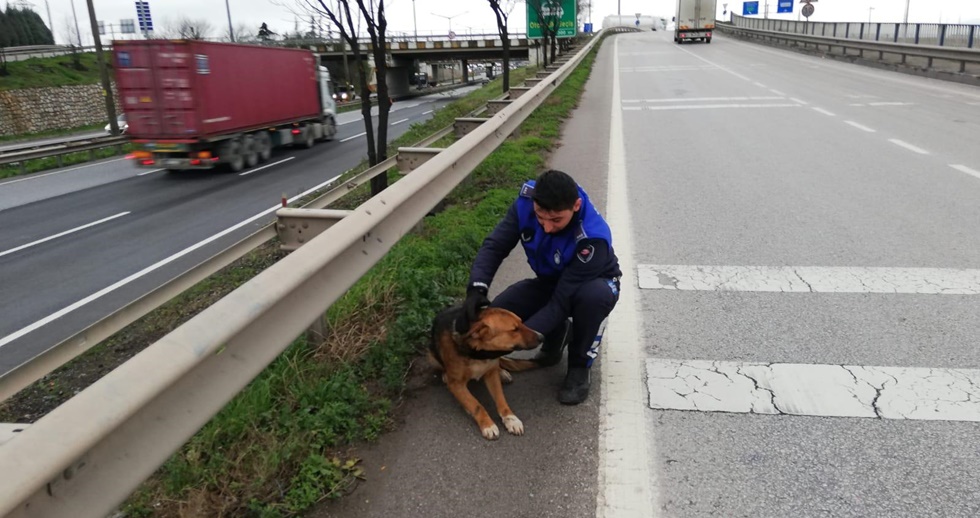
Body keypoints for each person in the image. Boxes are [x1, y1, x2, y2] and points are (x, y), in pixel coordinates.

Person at [462, 170, 622, 405]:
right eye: (540, 217)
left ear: (576, 206)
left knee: (591, 299)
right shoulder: (527, 202)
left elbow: (561, 301)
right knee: (496, 315)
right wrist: (477, 287)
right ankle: (559, 334)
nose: (546, 227)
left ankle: (579, 365)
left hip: (592, 284)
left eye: (556, 220)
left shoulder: (592, 238)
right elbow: (495, 246)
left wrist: (520, 337)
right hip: (551, 281)